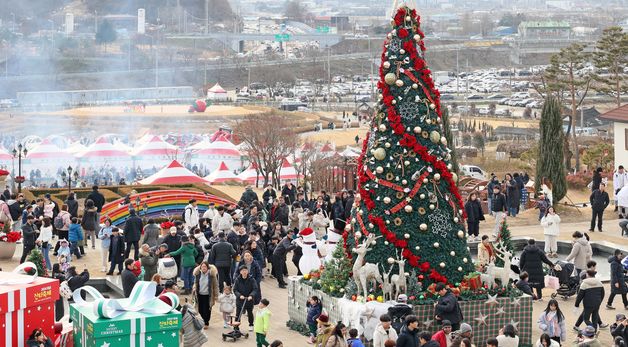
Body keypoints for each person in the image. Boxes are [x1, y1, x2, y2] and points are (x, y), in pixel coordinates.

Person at [192, 261, 218, 329]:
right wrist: (194, 287)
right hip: (200, 294)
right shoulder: (198, 275)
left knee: (207, 310)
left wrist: (216, 296)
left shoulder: (212, 276)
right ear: (200, 267)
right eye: (202, 266)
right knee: (200, 310)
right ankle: (204, 320)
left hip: (208, 296)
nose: (203, 268)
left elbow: (215, 286)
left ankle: (206, 322)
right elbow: (195, 283)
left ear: (207, 267)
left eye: (205, 266)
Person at [233, 265, 259, 331]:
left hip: (249, 299)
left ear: (247, 271)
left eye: (245, 270)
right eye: (242, 270)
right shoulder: (237, 280)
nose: (244, 272)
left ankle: (251, 324)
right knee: (238, 314)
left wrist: (251, 295)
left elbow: (255, 289)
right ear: (240, 272)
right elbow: (235, 290)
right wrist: (239, 295)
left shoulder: (251, 279)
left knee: (250, 313)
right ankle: (236, 326)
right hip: (240, 300)